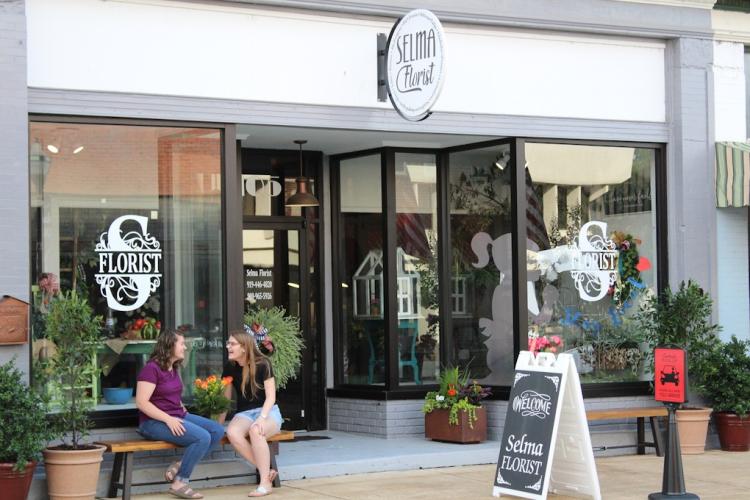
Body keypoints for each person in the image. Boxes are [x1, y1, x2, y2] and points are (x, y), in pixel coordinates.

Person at [136, 329, 225, 499]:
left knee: (217, 431)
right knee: (202, 437)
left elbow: (173, 395)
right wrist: (168, 419)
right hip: (152, 423)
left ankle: (179, 465)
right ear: (169, 345)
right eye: (182, 343)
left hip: (177, 415)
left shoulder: (173, 368)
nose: (185, 347)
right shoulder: (151, 369)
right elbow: (141, 402)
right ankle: (180, 482)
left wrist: (183, 411)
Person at [219, 330, 283, 497]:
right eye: (228, 343)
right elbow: (225, 401)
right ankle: (267, 472)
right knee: (232, 433)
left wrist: (262, 418)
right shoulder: (230, 367)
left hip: (268, 411)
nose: (228, 347)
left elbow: (271, 397)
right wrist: (217, 425)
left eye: (232, 344)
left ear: (244, 347)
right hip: (245, 413)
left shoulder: (263, 363)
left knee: (256, 430)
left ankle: (264, 483)